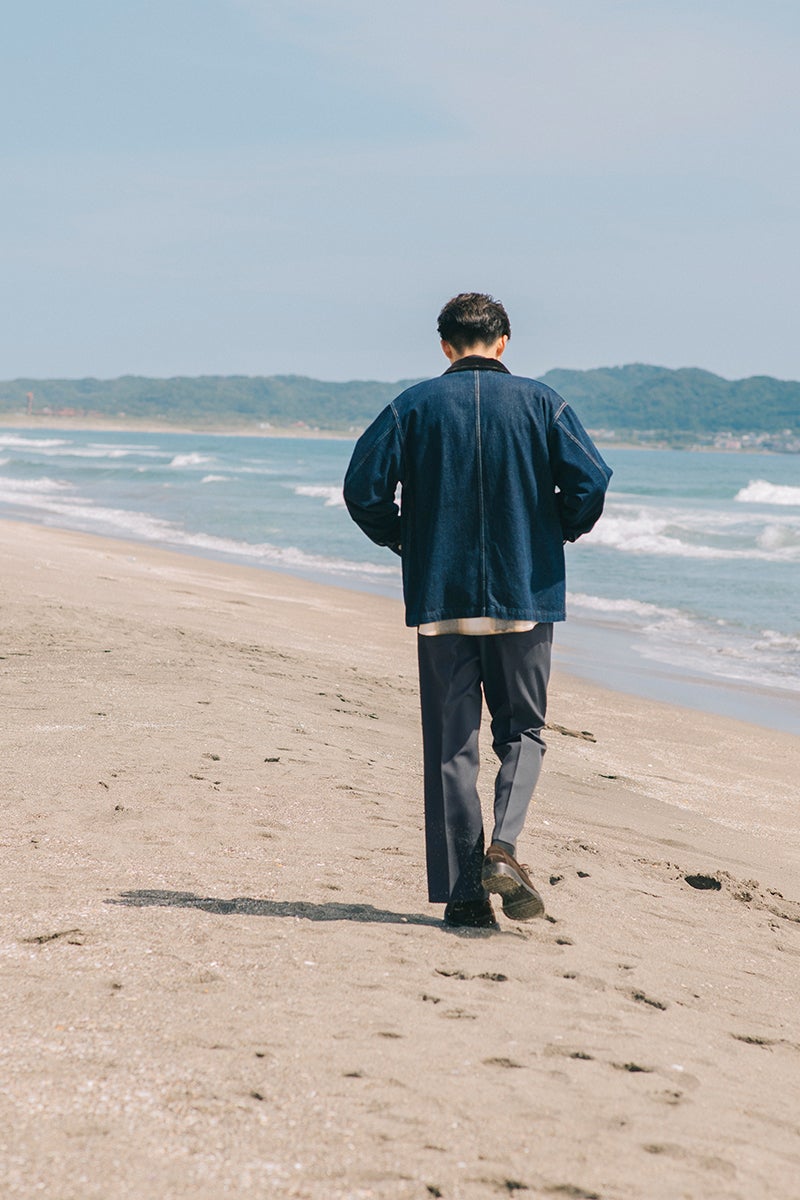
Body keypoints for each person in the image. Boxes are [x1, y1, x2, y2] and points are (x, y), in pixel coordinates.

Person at [343, 293, 611, 929]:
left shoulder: (411, 405)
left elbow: (363, 490)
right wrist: (556, 533)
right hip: (524, 592)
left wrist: (406, 539)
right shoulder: (544, 402)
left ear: (444, 346)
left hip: (441, 597)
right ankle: (504, 850)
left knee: (451, 746)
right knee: (523, 732)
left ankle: (466, 897)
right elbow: (591, 482)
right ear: (504, 341)